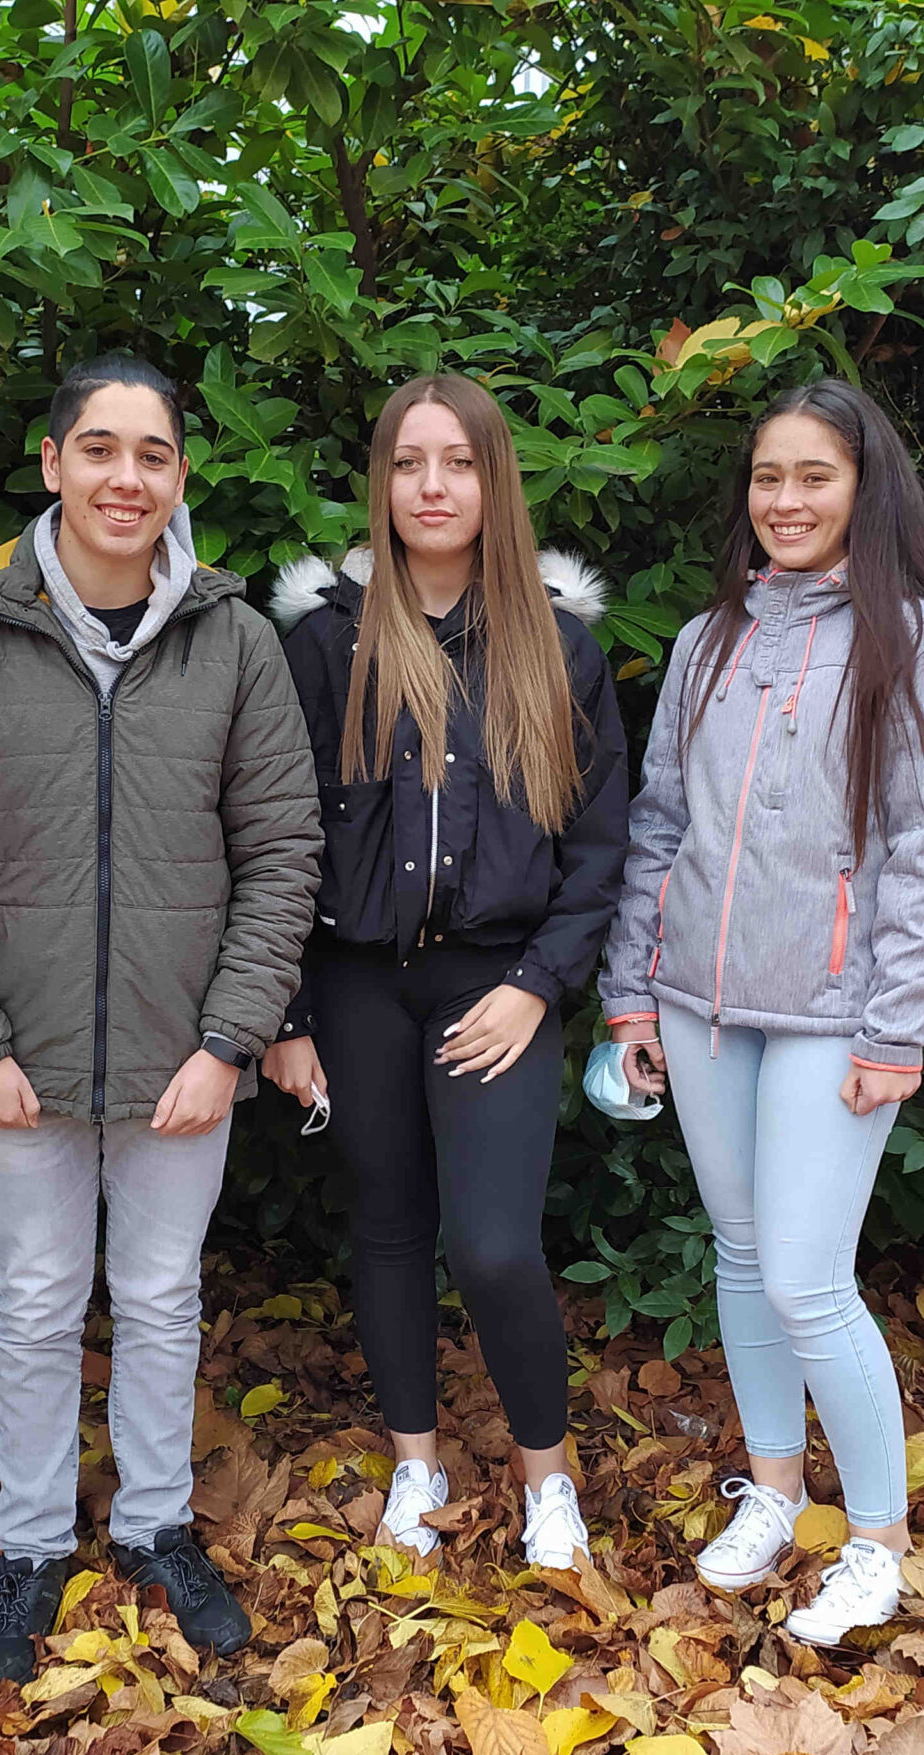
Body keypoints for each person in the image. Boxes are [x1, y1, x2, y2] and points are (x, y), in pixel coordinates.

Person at [0, 354, 321, 1683]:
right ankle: (28, 1545)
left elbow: (281, 853)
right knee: (33, 1302)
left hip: (185, 1055)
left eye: (153, 454)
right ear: (53, 463)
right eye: (100, 449)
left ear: (181, 475)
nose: (127, 478)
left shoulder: (233, 640)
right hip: (16, 1058)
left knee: (164, 1295)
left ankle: (154, 1526)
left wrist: (229, 1040)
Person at [597, 380, 924, 1644]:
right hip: (699, 1003)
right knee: (740, 1256)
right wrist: (628, 993)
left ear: (864, 487)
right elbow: (660, 822)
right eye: (767, 477)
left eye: (813, 476)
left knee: (809, 1279)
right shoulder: (707, 640)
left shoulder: (915, 639)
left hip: (835, 1010)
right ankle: (774, 1491)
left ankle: (877, 1540)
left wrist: (897, 1026)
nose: (785, 500)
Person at [262, 374, 629, 1572]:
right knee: (386, 1225)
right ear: (380, 482)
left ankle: (546, 1476)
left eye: (458, 463)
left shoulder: (555, 648)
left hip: (496, 985)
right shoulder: (324, 643)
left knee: (493, 1245)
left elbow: (599, 848)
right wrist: (286, 1013)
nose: (432, 486)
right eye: (409, 463)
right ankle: (416, 1463)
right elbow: (271, 833)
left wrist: (537, 984)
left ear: (493, 481)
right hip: (357, 983)